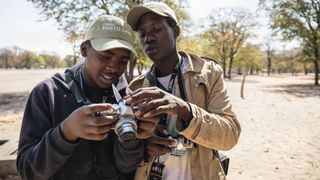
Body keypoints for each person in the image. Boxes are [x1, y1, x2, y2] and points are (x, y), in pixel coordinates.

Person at [17, 15, 157, 180]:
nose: (114, 66)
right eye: (105, 56)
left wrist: (132, 138)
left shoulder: (127, 98)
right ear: (84, 50)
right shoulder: (47, 94)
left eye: (123, 60)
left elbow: (126, 166)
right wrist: (66, 132)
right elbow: (28, 171)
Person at [125, 2, 241, 180]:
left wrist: (185, 110)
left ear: (176, 32)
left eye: (156, 29)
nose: (148, 38)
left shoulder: (208, 73)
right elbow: (128, 146)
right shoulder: (136, 88)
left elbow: (230, 136)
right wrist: (144, 144)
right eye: (142, 34)